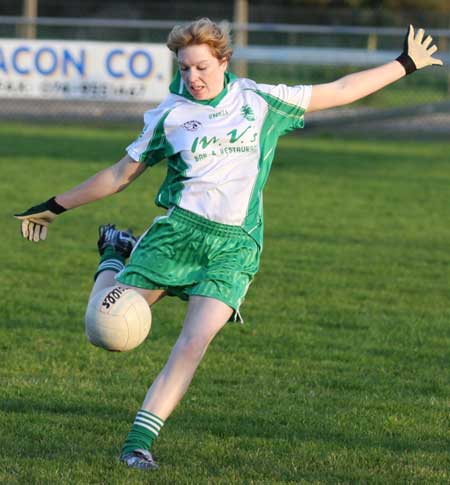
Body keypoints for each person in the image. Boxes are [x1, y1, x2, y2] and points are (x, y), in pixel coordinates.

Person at [15, 19, 442, 471]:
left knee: (192, 344)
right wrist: (53, 207)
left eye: (201, 66)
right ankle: (114, 252)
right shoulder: (172, 114)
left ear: (223, 61)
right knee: (104, 331)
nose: (192, 77)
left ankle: (137, 445)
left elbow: (337, 90)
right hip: (177, 237)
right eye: (184, 69)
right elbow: (120, 175)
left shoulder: (259, 100)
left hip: (234, 248)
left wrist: (406, 64)